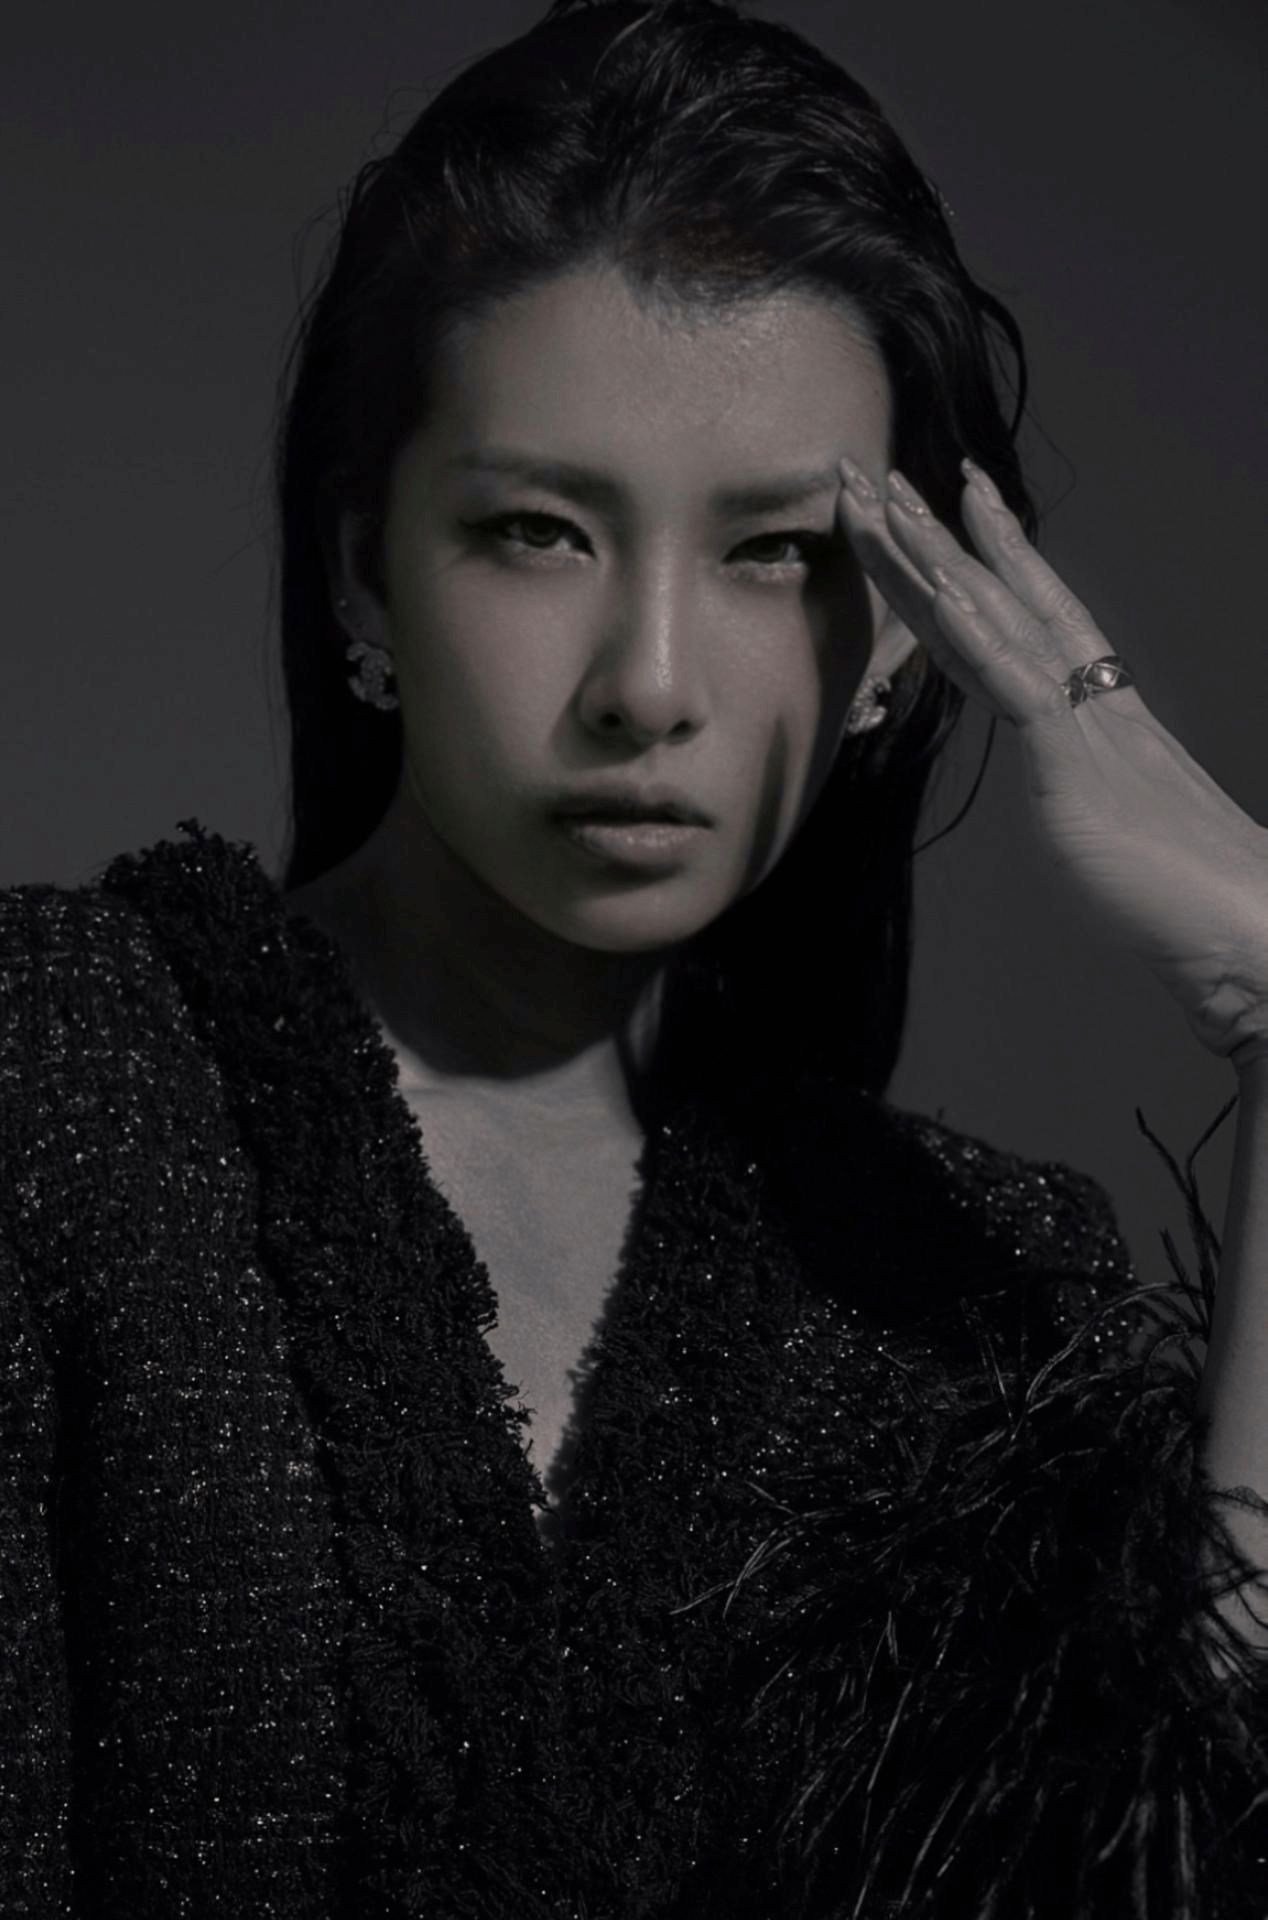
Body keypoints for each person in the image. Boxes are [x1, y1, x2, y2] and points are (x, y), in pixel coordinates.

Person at [2, 0, 1266, 1913]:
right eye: (537, 531)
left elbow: (1174, 1860)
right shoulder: (62, 1081)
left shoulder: (964, 1290)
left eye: (779, 554)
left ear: (904, 637)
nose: (649, 687)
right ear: (363, 572)